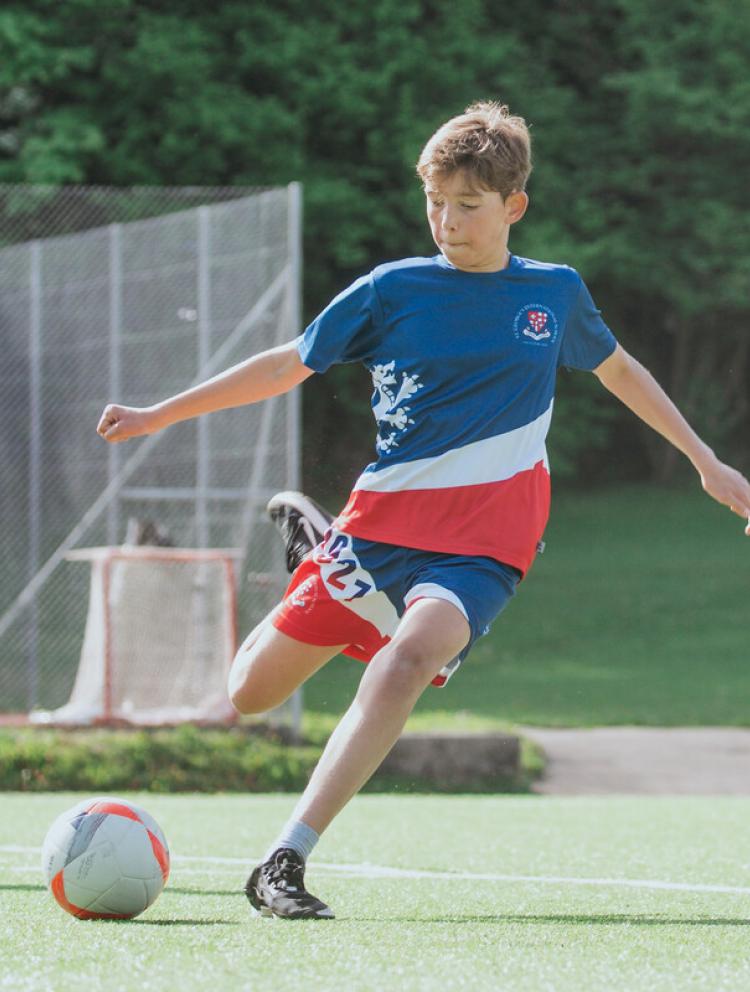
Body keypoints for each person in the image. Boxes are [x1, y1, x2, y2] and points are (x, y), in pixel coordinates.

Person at [97, 101, 750, 920]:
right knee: (249, 692)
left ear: (514, 206)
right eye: (435, 202)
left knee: (411, 658)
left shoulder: (554, 294)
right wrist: (159, 414)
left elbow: (621, 371)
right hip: (381, 525)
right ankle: (321, 553)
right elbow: (284, 367)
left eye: (468, 206)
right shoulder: (392, 291)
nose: (447, 221)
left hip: (487, 541)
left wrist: (704, 459)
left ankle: (283, 862)